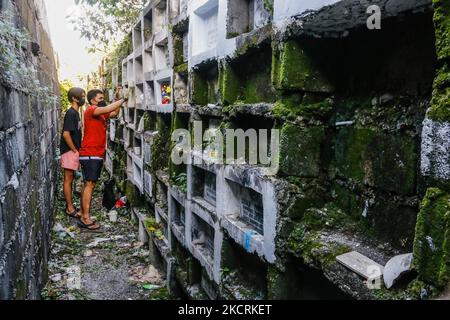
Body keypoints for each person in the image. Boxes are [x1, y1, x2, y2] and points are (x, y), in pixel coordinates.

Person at [78, 89, 127, 230]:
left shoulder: (100, 115)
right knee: (90, 184)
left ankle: (83, 213)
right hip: (90, 153)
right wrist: (124, 98)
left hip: (95, 154)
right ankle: (85, 218)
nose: (102, 99)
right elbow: (108, 108)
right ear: (93, 100)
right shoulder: (91, 110)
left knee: (88, 184)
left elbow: (114, 112)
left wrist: (118, 98)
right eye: (100, 98)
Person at [60, 87, 85, 219]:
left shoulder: (76, 113)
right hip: (69, 150)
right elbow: (66, 134)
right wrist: (74, 150)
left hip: (73, 150)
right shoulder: (71, 113)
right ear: (74, 98)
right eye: (82, 96)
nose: (84, 98)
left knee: (70, 178)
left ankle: (70, 206)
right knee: (68, 179)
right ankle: (69, 208)